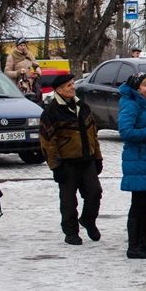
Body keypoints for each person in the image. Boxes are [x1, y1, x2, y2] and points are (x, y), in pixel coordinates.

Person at [39, 73, 104, 245]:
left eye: (73, 84)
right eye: (68, 85)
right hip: (66, 163)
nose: (72, 87)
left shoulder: (83, 106)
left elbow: (93, 134)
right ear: (59, 90)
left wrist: (97, 158)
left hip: (87, 159)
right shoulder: (51, 112)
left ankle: (88, 220)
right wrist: (55, 166)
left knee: (95, 193)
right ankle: (71, 231)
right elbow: (47, 142)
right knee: (68, 201)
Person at [118, 72, 146, 259]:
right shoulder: (130, 104)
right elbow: (126, 131)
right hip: (137, 160)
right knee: (138, 203)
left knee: (144, 202)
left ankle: (143, 243)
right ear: (137, 87)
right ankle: (134, 246)